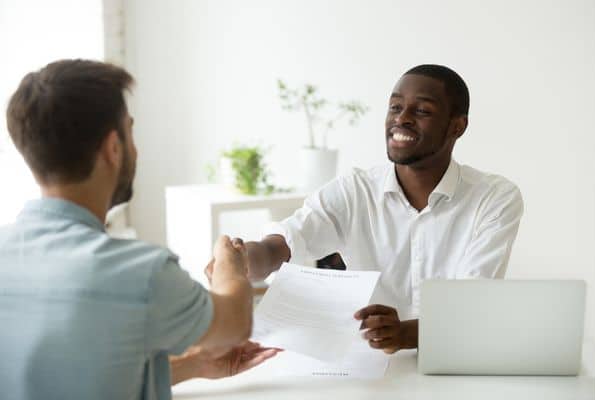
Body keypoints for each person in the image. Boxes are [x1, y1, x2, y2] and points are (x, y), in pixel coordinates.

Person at [0, 59, 278, 400]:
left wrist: (193, 366)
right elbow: (234, 326)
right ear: (113, 149)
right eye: (130, 131)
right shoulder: (141, 273)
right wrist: (230, 263)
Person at [239, 64, 524, 355]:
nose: (402, 118)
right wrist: (248, 259)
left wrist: (404, 334)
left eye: (422, 111)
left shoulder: (495, 198)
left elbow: (474, 302)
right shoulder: (355, 190)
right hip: (369, 365)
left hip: (456, 359)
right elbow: (290, 238)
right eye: (395, 107)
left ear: (457, 126)